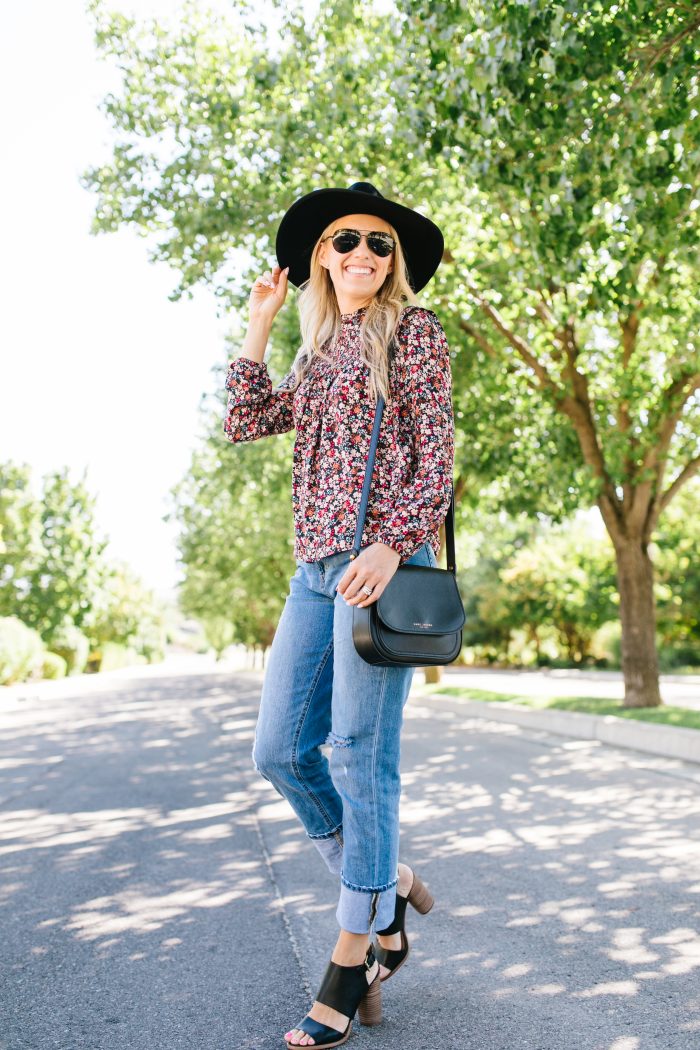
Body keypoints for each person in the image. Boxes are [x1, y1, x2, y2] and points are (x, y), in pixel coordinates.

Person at [223, 181, 454, 1048]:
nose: (362, 253)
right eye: (345, 240)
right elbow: (245, 420)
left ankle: (353, 955)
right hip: (313, 574)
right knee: (280, 750)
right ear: (323, 254)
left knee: (361, 756)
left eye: (380, 243)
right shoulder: (317, 350)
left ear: (396, 263)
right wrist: (261, 322)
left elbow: (436, 455)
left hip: (382, 566)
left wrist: (391, 542)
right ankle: (385, 887)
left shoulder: (416, 334)